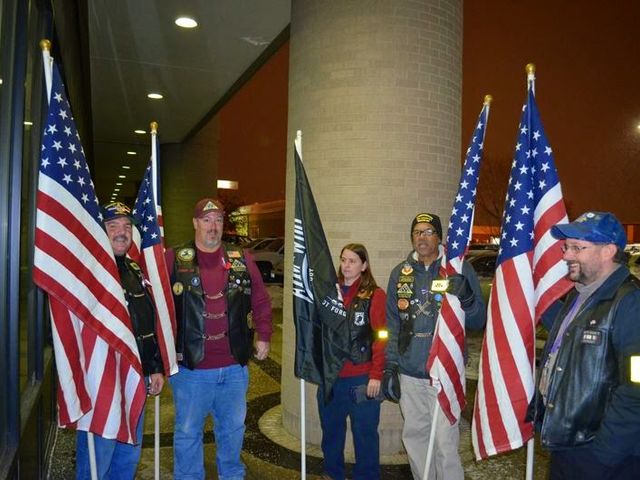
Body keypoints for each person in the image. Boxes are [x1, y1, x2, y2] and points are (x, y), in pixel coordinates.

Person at [529, 211, 640, 480]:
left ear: (608, 251)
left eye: (578, 248)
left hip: (604, 455)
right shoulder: (580, 294)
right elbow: (572, 339)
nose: (566, 255)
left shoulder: (630, 303)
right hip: (569, 443)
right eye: (566, 247)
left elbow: (636, 387)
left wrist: (603, 454)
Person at [167, 198, 272, 480]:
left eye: (218, 220)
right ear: (195, 223)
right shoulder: (174, 258)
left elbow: (260, 300)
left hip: (234, 368)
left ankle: (232, 476)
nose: (213, 227)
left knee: (233, 431)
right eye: (206, 220)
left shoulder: (241, 258)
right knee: (188, 433)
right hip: (190, 370)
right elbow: (158, 305)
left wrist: (264, 334)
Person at [381, 212, 486, 480]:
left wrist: (467, 296)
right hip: (409, 373)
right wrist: (390, 365)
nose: (422, 237)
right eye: (417, 232)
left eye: (429, 232)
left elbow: (479, 321)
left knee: (445, 443)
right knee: (415, 439)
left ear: (439, 237)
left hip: (444, 372)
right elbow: (393, 325)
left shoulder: (458, 270)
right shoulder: (400, 274)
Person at [76, 201, 165, 479]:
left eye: (127, 227)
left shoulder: (135, 271)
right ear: (101, 231)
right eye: (112, 226)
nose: (121, 232)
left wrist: (154, 367)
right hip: (102, 383)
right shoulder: (89, 273)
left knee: (128, 459)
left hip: (135, 379)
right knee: (97, 462)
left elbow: (145, 324)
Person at [317, 243, 388, 480]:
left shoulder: (375, 295)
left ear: (364, 266)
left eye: (352, 261)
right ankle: (332, 474)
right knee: (331, 433)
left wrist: (376, 374)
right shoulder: (329, 293)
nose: (346, 266)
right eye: (343, 260)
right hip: (332, 378)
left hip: (362, 379)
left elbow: (381, 335)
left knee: (365, 435)